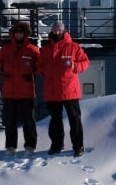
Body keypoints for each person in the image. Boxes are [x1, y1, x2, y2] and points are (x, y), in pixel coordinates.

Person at [36, 20, 89, 156]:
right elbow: (39, 66)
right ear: (52, 31)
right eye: (55, 30)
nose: (57, 32)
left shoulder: (74, 47)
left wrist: (75, 66)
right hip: (52, 91)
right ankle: (56, 145)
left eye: (59, 29)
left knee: (74, 119)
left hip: (69, 90)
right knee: (55, 121)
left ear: (64, 31)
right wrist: (45, 72)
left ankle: (78, 146)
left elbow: (85, 62)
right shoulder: (46, 50)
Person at [0, 20, 40, 156]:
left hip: (27, 90)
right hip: (10, 90)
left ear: (25, 34)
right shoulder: (6, 49)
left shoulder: (32, 49)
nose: (18, 35)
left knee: (29, 121)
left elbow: (40, 65)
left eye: (21, 32)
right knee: (10, 121)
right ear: (13, 34)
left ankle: (30, 145)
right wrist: (2, 69)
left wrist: (33, 68)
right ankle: (10, 146)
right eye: (16, 32)